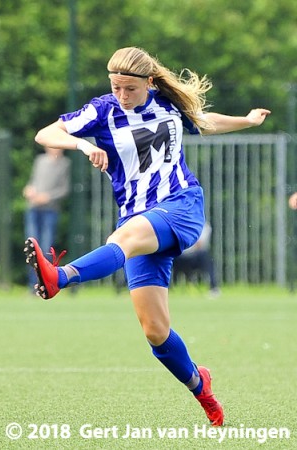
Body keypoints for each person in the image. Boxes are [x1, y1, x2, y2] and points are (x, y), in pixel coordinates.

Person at [27, 46, 270, 427]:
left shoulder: (168, 106)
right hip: (138, 217)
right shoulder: (103, 109)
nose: (122, 95)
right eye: (116, 87)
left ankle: (61, 277)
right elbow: (46, 132)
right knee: (156, 332)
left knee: (123, 238)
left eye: (130, 89)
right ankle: (200, 386)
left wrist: (248, 121)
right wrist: (83, 143)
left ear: (150, 82)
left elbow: (205, 121)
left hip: (181, 206)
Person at [23, 146, 71, 290]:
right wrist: (29, 189)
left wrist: (48, 197)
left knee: (45, 247)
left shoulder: (65, 163)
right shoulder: (40, 160)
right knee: (31, 248)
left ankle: (45, 283)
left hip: (50, 209)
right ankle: (32, 285)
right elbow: (33, 181)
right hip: (33, 208)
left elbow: (64, 189)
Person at [173, 222, 219, 296]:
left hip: (194, 256)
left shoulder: (203, 225)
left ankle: (213, 288)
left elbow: (199, 244)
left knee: (205, 256)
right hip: (179, 256)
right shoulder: (177, 222)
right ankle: (165, 288)